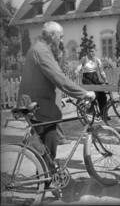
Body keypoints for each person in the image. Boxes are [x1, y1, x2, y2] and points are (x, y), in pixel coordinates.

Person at [17, 21, 95, 182]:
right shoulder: (42, 51)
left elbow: (44, 79)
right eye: (60, 37)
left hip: (36, 103)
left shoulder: (39, 48)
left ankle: (47, 178)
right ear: (52, 36)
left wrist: (63, 98)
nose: (61, 41)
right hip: (40, 107)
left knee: (44, 148)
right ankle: (48, 180)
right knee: (49, 146)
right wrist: (83, 93)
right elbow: (58, 77)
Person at [74, 46, 108, 116]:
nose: (91, 53)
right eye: (89, 51)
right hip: (87, 79)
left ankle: (103, 114)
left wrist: (106, 80)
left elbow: (102, 72)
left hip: (95, 78)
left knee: (103, 95)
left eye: (92, 51)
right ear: (87, 52)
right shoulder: (84, 59)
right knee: (95, 94)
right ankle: (90, 109)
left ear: (94, 52)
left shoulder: (97, 60)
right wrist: (74, 76)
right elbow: (78, 69)